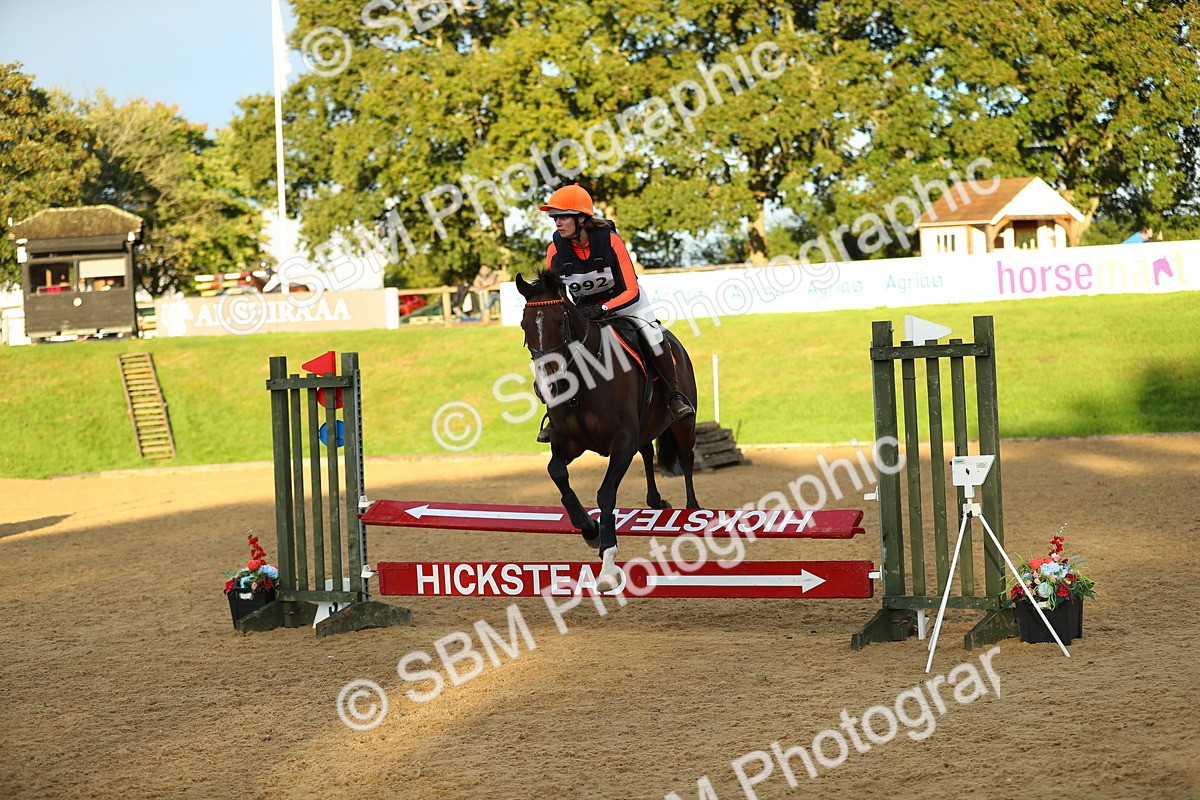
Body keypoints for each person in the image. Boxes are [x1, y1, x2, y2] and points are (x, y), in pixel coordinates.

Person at [533, 184, 694, 443]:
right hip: (585, 309)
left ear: (581, 218)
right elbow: (555, 294)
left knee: (653, 333)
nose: (558, 223)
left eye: (563, 216)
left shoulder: (610, 241)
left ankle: (673, 396)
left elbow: (631, 289)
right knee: (558, 346)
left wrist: (605, 308)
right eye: (555, 218)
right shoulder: (555, 250)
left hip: (627, 303)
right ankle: (555, 416)